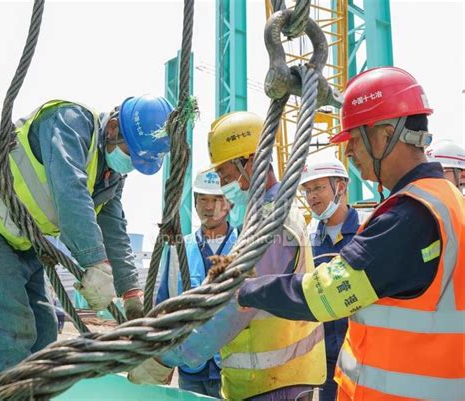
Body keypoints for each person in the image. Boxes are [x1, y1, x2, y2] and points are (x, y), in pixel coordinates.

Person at [237, 67, 464, 400]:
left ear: (386, 135)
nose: (349, 152)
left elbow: (324, 294)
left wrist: (247, 290)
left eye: (355, 139)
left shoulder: (410, 216)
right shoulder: (447, 201)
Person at [129, 111, 326, 401]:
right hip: (265, 381)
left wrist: (164, 358)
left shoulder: (272, 224)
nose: (224, 185)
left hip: (275, 385)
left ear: (250, 162)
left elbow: (233, 308)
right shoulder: (265, 216)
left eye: (227, 175)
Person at [0, 95, 173, 373]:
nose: (130, 166)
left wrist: (131, 295)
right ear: (112, 127)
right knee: (13, 330)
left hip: (23, 244)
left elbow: (113, 227)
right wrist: (95, 263)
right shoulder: (68, 122)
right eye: (130, 154)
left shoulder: (110, 172)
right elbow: (70, 192)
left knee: (44, 332)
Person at [135, 171, 236, 397]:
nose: (210, 207)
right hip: (189, 365)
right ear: (195, 203)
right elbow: (164, 306)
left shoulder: (243, 247)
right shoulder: (178, 249)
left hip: (231, 366)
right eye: (203, 200)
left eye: (217, 199)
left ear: (229, 204)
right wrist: (162, 355)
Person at [299, 158, 366, 401]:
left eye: (318, 188)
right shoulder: (307, 239)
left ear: (341, 187)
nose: (312, 197)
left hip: (364, 356)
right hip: (325, 360)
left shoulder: (367, 230)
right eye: (307, 191)